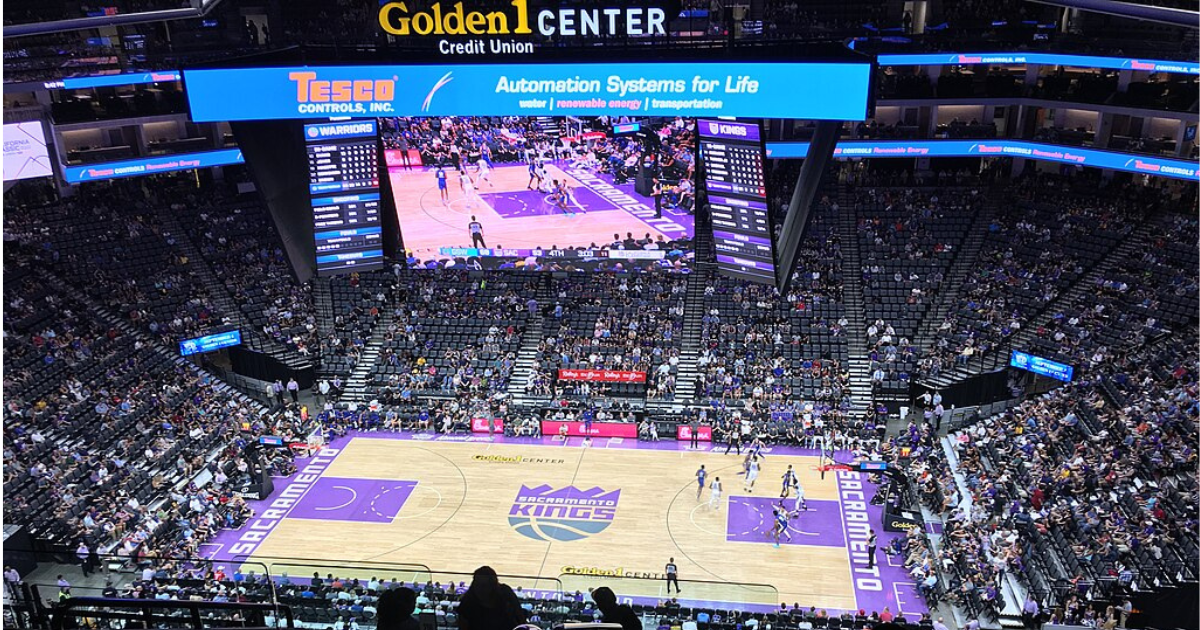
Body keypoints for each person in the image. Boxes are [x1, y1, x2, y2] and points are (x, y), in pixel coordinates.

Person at [457, 566, 524, 630]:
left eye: (485, 586)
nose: (480, 589)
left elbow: (520, 616)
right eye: (477, 584)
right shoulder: (467, 603)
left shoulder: (506, 593)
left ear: (493, 586)